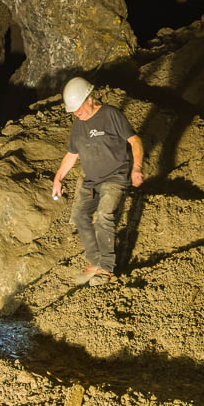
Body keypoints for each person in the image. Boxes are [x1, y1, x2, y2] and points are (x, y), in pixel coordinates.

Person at [52, 76, 144, 286]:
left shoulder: (110, 114)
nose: (77, 113)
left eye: (78, 108)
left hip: (115, 176)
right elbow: (72, 154)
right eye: (73, 110)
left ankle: (107, 268)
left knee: (103, 215)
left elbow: (134, 140)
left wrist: (137, 168)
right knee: (79, 215)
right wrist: (58, 178)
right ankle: (96, 261)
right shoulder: (78, 125)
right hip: (91, 181)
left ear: (90, 98)